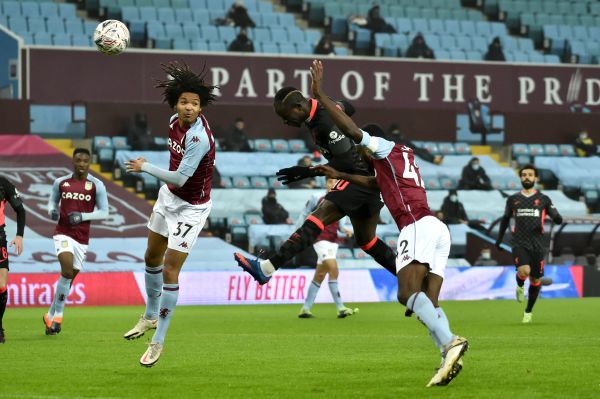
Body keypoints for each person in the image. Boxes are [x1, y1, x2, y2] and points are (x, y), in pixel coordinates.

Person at [309, 60, 468, 387]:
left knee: (405, 293)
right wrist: (339, 174)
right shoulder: (401, 158)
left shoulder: (382, 148)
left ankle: (451, 341)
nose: (361, 154)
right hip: (437, 228)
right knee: (427, 300)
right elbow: (375, 185)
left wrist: (319, 95)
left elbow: (353, 131)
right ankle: (447, 353)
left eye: (362, 150)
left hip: (417, 226)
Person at [235, 66, 398, 284]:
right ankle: (411, 279)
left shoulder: (323, 123)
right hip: (367, 184)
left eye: (286, 116)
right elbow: (349, 107)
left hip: (355, 178)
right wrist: (339, 109)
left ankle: (267, 267)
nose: (286, 122)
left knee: (318, 216)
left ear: (298, 106)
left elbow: (347, 161)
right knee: (367, 241)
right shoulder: (321, 108)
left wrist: (307, 171)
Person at [123, 62, 217, 367]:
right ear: (175, 103)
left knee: (169, 270)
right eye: (184, 102)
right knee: (151, 256)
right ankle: (150, 315)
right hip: (168, 199)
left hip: (192, 208)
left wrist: (144, 167)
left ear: (201, 107)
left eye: (195, 103)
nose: (189, 107)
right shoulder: (173, 122)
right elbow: (172, 184)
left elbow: (180, 178)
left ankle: (158, 341)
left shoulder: (199, 138)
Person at [44, 148, 109, 336]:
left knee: (69, 277)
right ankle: (58, 317)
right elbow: (51, 203)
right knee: (66, 270)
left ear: (89, 163)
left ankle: (49, 314)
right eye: (78, 160)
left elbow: (104, 212)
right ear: (73, 161)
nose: (82, 164)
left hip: (82, 237)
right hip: (63, 233)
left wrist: (82, 216)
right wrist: (52, 212)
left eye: (85, 161)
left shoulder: (97, 185)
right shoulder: (61, 183)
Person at [495, 164, 563, 323]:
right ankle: (519, 285)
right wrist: (499, 239)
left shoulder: (544, 199)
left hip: (538, 244)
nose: (527, 177)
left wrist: (558, 219)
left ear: (536, 178)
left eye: (530, 175)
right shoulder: (513, 199)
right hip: (519, 242)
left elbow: (554, 214)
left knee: (535, 280)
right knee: (524, 271)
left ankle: (528, 311)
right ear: (520, 178)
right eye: (524, 174)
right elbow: (505, 219)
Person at [297, 178, 356, 318]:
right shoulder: (316, 197)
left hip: (333, 240)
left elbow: (340, 225)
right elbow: (304, 214)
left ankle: (305, 309)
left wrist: (346, 230)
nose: (332, 184)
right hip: (319, 238)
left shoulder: (341, 201)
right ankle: (341, 307)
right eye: (330, 182)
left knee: (320, 274)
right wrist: (298, 233)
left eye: (335, 182)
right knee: (333, 267)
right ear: (326, 183)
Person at [0, 176, 26, 344]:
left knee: (2, 285)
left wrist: (19, 236)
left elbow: (20, 210)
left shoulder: (3, 184)